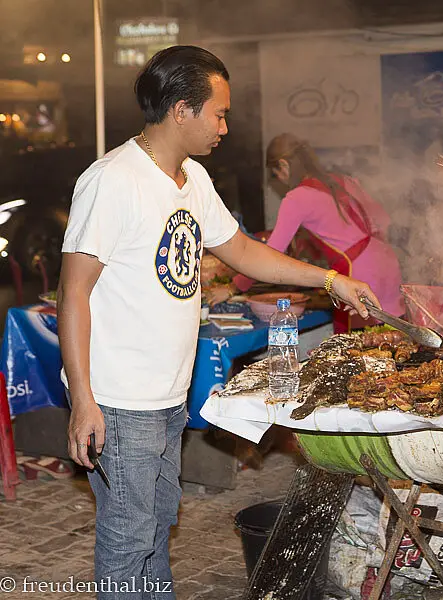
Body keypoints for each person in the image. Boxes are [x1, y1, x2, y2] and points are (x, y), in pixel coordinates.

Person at [57, 46, 380, 599]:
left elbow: (244, 252)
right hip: (120, 398)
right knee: (127, 537)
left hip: (167, 395)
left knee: (157, 528)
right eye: (219, 113)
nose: (225, 127)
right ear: (182, 110)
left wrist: (330, 280)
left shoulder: (192, 180)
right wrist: (84, 400)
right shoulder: (113, 181)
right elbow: (73, 292)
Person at [232, 134, 405, 333]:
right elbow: (383, 221)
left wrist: (235, 286)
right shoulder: (345, 180)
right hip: (388, 264)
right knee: (394, 339)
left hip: (357, 274)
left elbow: (270, 254)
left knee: (356, 349)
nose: (278, 180)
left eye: (275, 174)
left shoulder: (296, 198)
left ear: (283, 165)